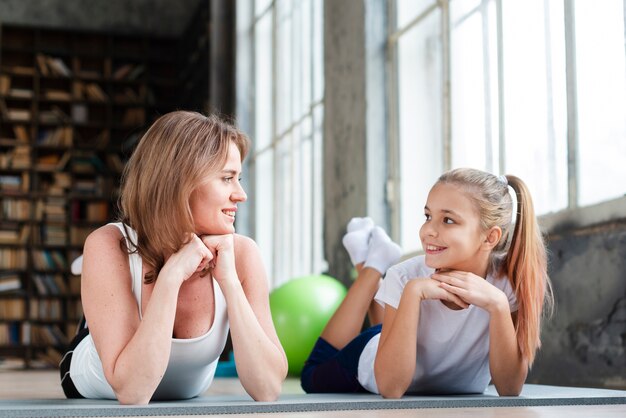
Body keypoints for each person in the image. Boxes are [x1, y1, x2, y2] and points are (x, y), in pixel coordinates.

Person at [59, 111, 288, 404]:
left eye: (238, 178)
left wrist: (230, 281)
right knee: (111, 273)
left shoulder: (242, 254)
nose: (241, 194)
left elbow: (267, 389)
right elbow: (133, 392)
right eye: (227, 178)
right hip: (93, 374)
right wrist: (171, 276)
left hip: (178, 385)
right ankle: (102, 291)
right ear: (180, 183)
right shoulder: (107, 244)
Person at [301, 168, 553, 398]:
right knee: (311, 375)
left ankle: (370, 263)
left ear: (490, 237)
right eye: (427, 215)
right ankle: (371, 268)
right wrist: (412, 292)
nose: (428, 231)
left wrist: (497, 304)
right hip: (378, 358)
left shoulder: (507, 284)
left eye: (448, 220)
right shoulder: (404, 277)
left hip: (412, 341)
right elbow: (391, 388)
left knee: (391, 327)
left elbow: (509, 389)